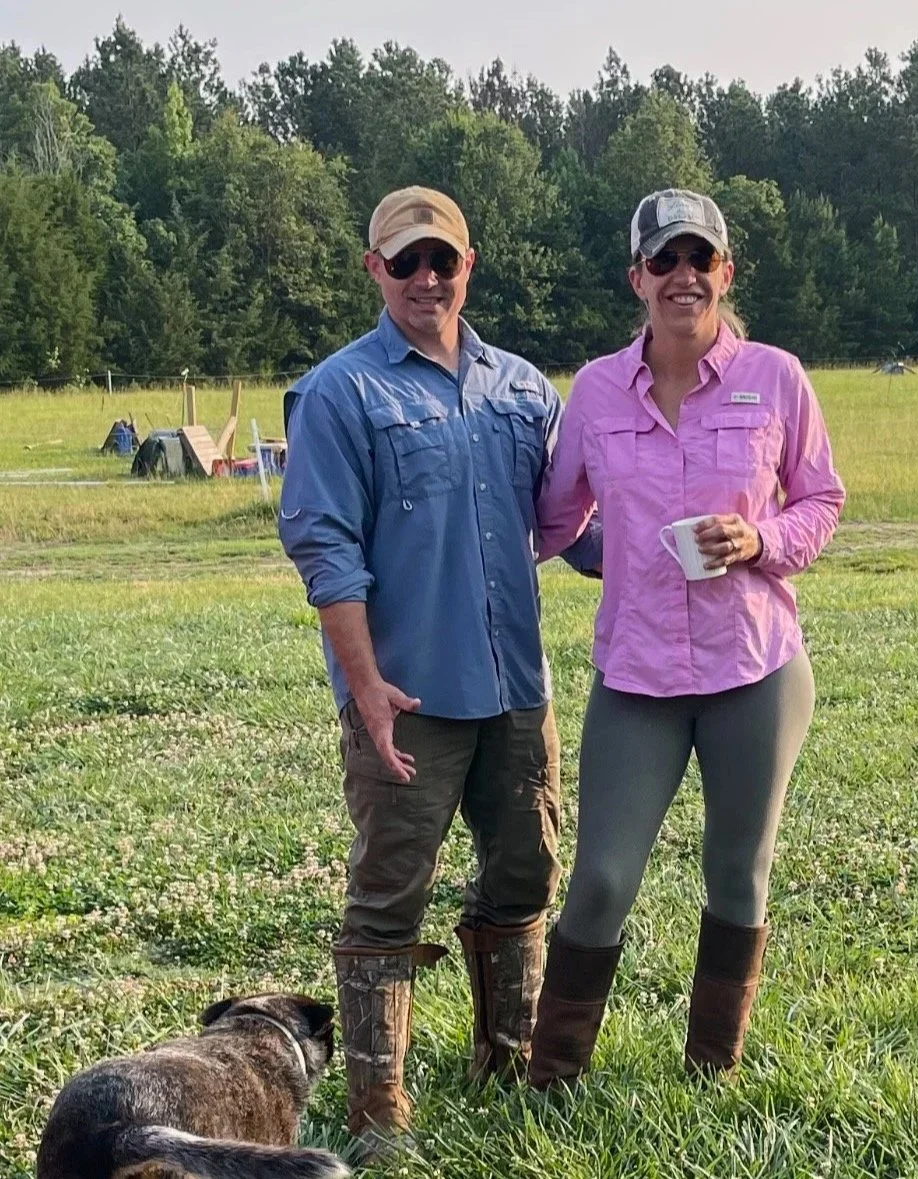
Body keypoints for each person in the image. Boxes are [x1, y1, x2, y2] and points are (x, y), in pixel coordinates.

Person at [278, 186, 599, 1157]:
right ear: (374, 269)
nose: (426, 278)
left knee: (526, 873)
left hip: (516, 693)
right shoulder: (342, 392)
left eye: (441, 260)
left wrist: (681, 534)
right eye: (405, 261)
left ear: (468, 266)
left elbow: (574, 526)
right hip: (407, 697)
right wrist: (365, 686)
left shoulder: (522, 389)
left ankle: (509, 1068)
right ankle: (380, 1110)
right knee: (390, 891)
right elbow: (325, 545)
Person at [526, 189, 846, 1088]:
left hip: (756, 666)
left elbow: (821, 499)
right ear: (636, 277)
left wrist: (762, 541)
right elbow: (556, 518)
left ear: (724, 273)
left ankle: (711, 1071)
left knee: (737, 873)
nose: (681, 276)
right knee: (599, 880)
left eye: (698, 259)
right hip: (637, 674)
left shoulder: (775, 377)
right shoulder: (593, 390)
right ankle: (551, 1080)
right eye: (662, 260)